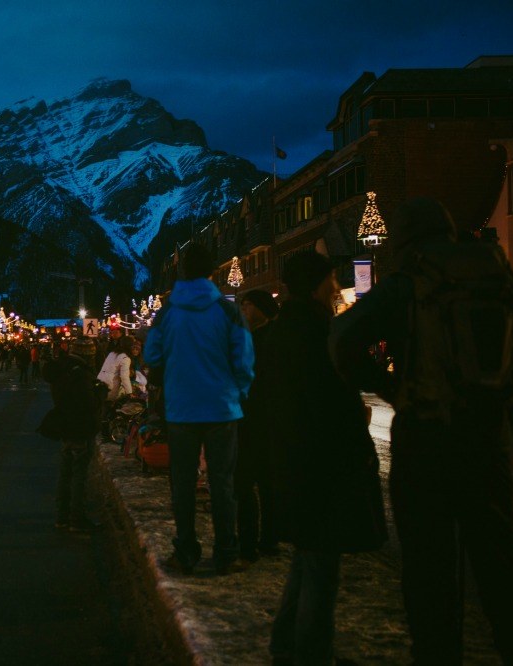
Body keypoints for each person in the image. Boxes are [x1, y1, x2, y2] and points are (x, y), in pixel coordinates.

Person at [330, 198, 513, 664]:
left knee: (429, 568)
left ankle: (438, 653)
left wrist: (387, 384)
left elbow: (341, 340)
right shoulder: (498, 277)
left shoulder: (409, 283)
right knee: (499, 563)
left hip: (427, 436)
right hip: (487, 438)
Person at [264, 251, 387, 665]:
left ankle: (285, 640)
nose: (336, 287)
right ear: (317, 285)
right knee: (321, 561)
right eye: (332, 280)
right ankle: (313, 653)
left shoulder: (281, 330)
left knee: (308, 552)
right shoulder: (321, 331)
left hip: (294, 456)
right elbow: (331, 401)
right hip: (323, 460)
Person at [143, 242, 254, 575]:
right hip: (222, 410)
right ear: (211, 272)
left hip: (181, 410)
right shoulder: (227, 310)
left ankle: (186, 551)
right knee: (222, 483)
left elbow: (152, 357)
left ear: (182, 272)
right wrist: (239, 393)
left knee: (183, 483)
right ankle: (226, 553)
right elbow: (244, 360)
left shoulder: (167, 313)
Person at [235, 289, 281, 561]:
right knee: (262, 484)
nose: (243, 310)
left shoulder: (268, 340)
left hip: (258, 419)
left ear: (261, 308)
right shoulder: (253, 338)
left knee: (249, 483)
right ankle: (263, 539)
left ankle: (254, 541)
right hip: (256, 419)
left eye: (247, 305)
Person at [41, 338, 101, 532]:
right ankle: (77, 518)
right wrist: (99, 395)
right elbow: (87, 403)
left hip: (66, 425)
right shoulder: (80, 374)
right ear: (86, 354)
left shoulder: (61, 370)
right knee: (79, 475)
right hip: (80, 427)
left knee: (65, 473)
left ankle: (62, 516)